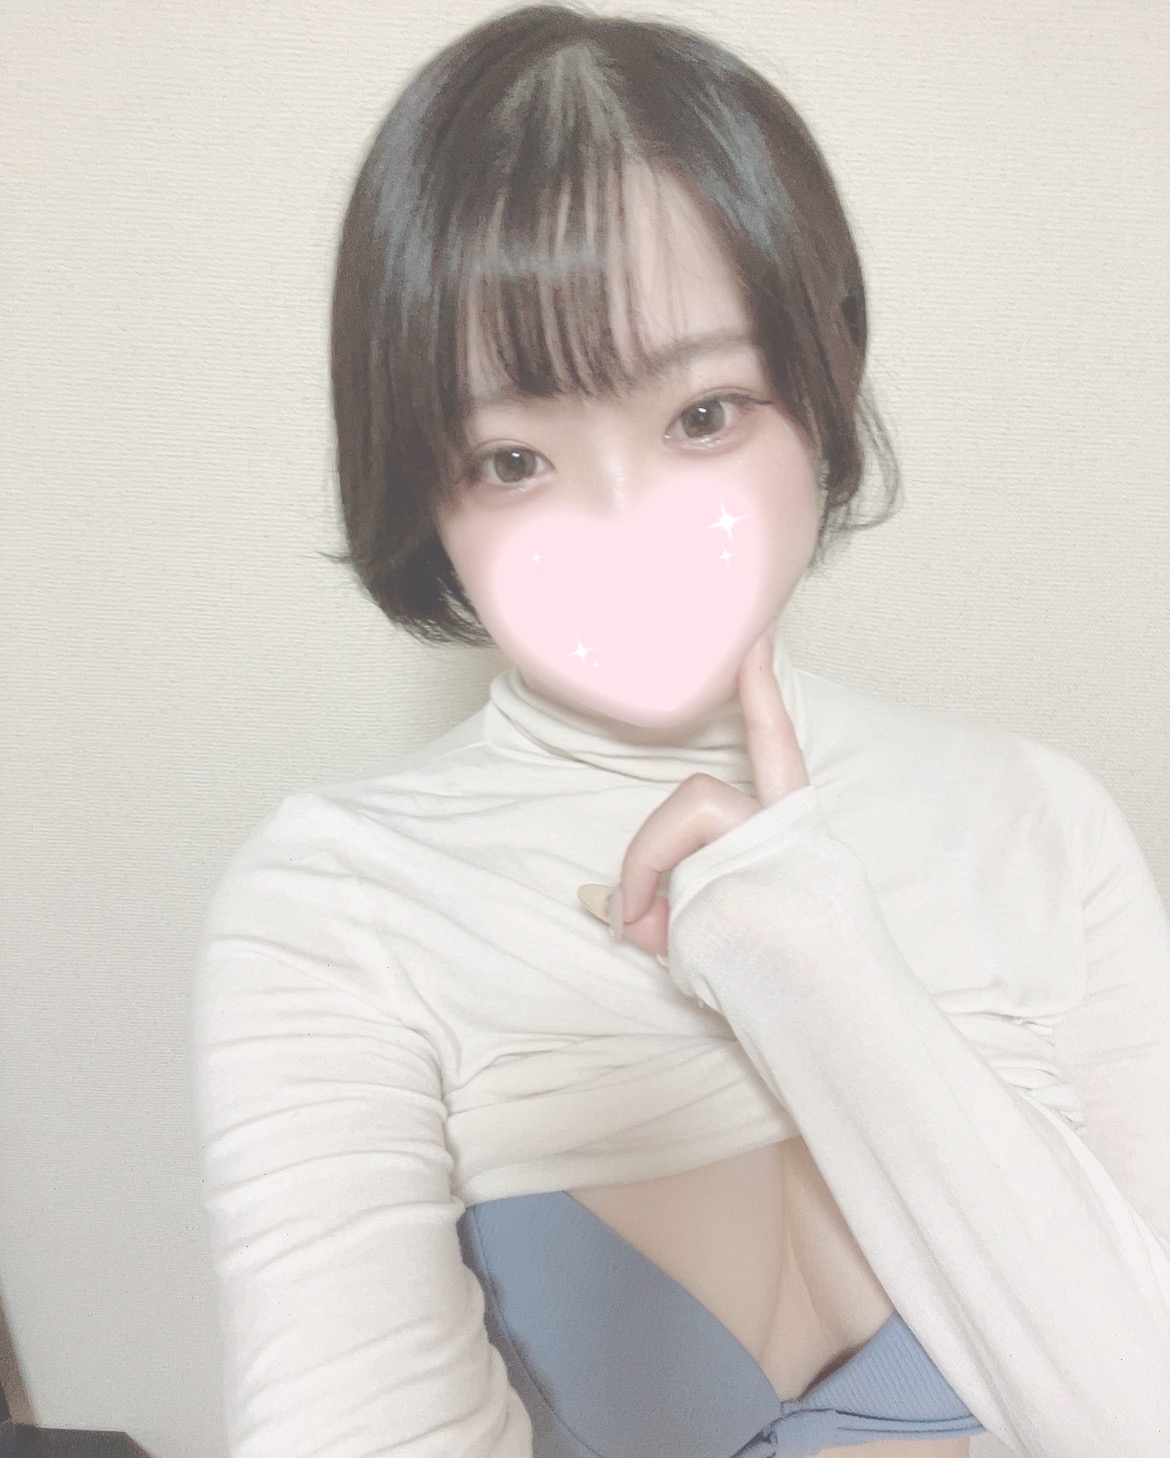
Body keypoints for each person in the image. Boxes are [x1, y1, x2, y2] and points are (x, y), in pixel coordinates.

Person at [191, 6, 1170, 1458]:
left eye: (704, 414)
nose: (625, 532)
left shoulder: (1037, 821)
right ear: (422, 483)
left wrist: (817, 961)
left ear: (822, 388)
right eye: (512, 457)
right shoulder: (333, 906)